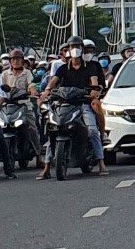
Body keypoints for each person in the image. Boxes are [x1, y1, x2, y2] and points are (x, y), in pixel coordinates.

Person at [44, 43, 107, 171]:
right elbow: (53, 81)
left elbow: (94, 82)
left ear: (82, 50)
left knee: (93, 131)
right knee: (54, 130)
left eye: (77, 47)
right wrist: (47, 90)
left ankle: (101, 163)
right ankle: (46, 167)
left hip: (82, 103)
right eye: (72, 47)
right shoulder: (62, 68)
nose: (75, 50)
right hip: (65, 105)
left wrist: (93, 91)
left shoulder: (90, 67)